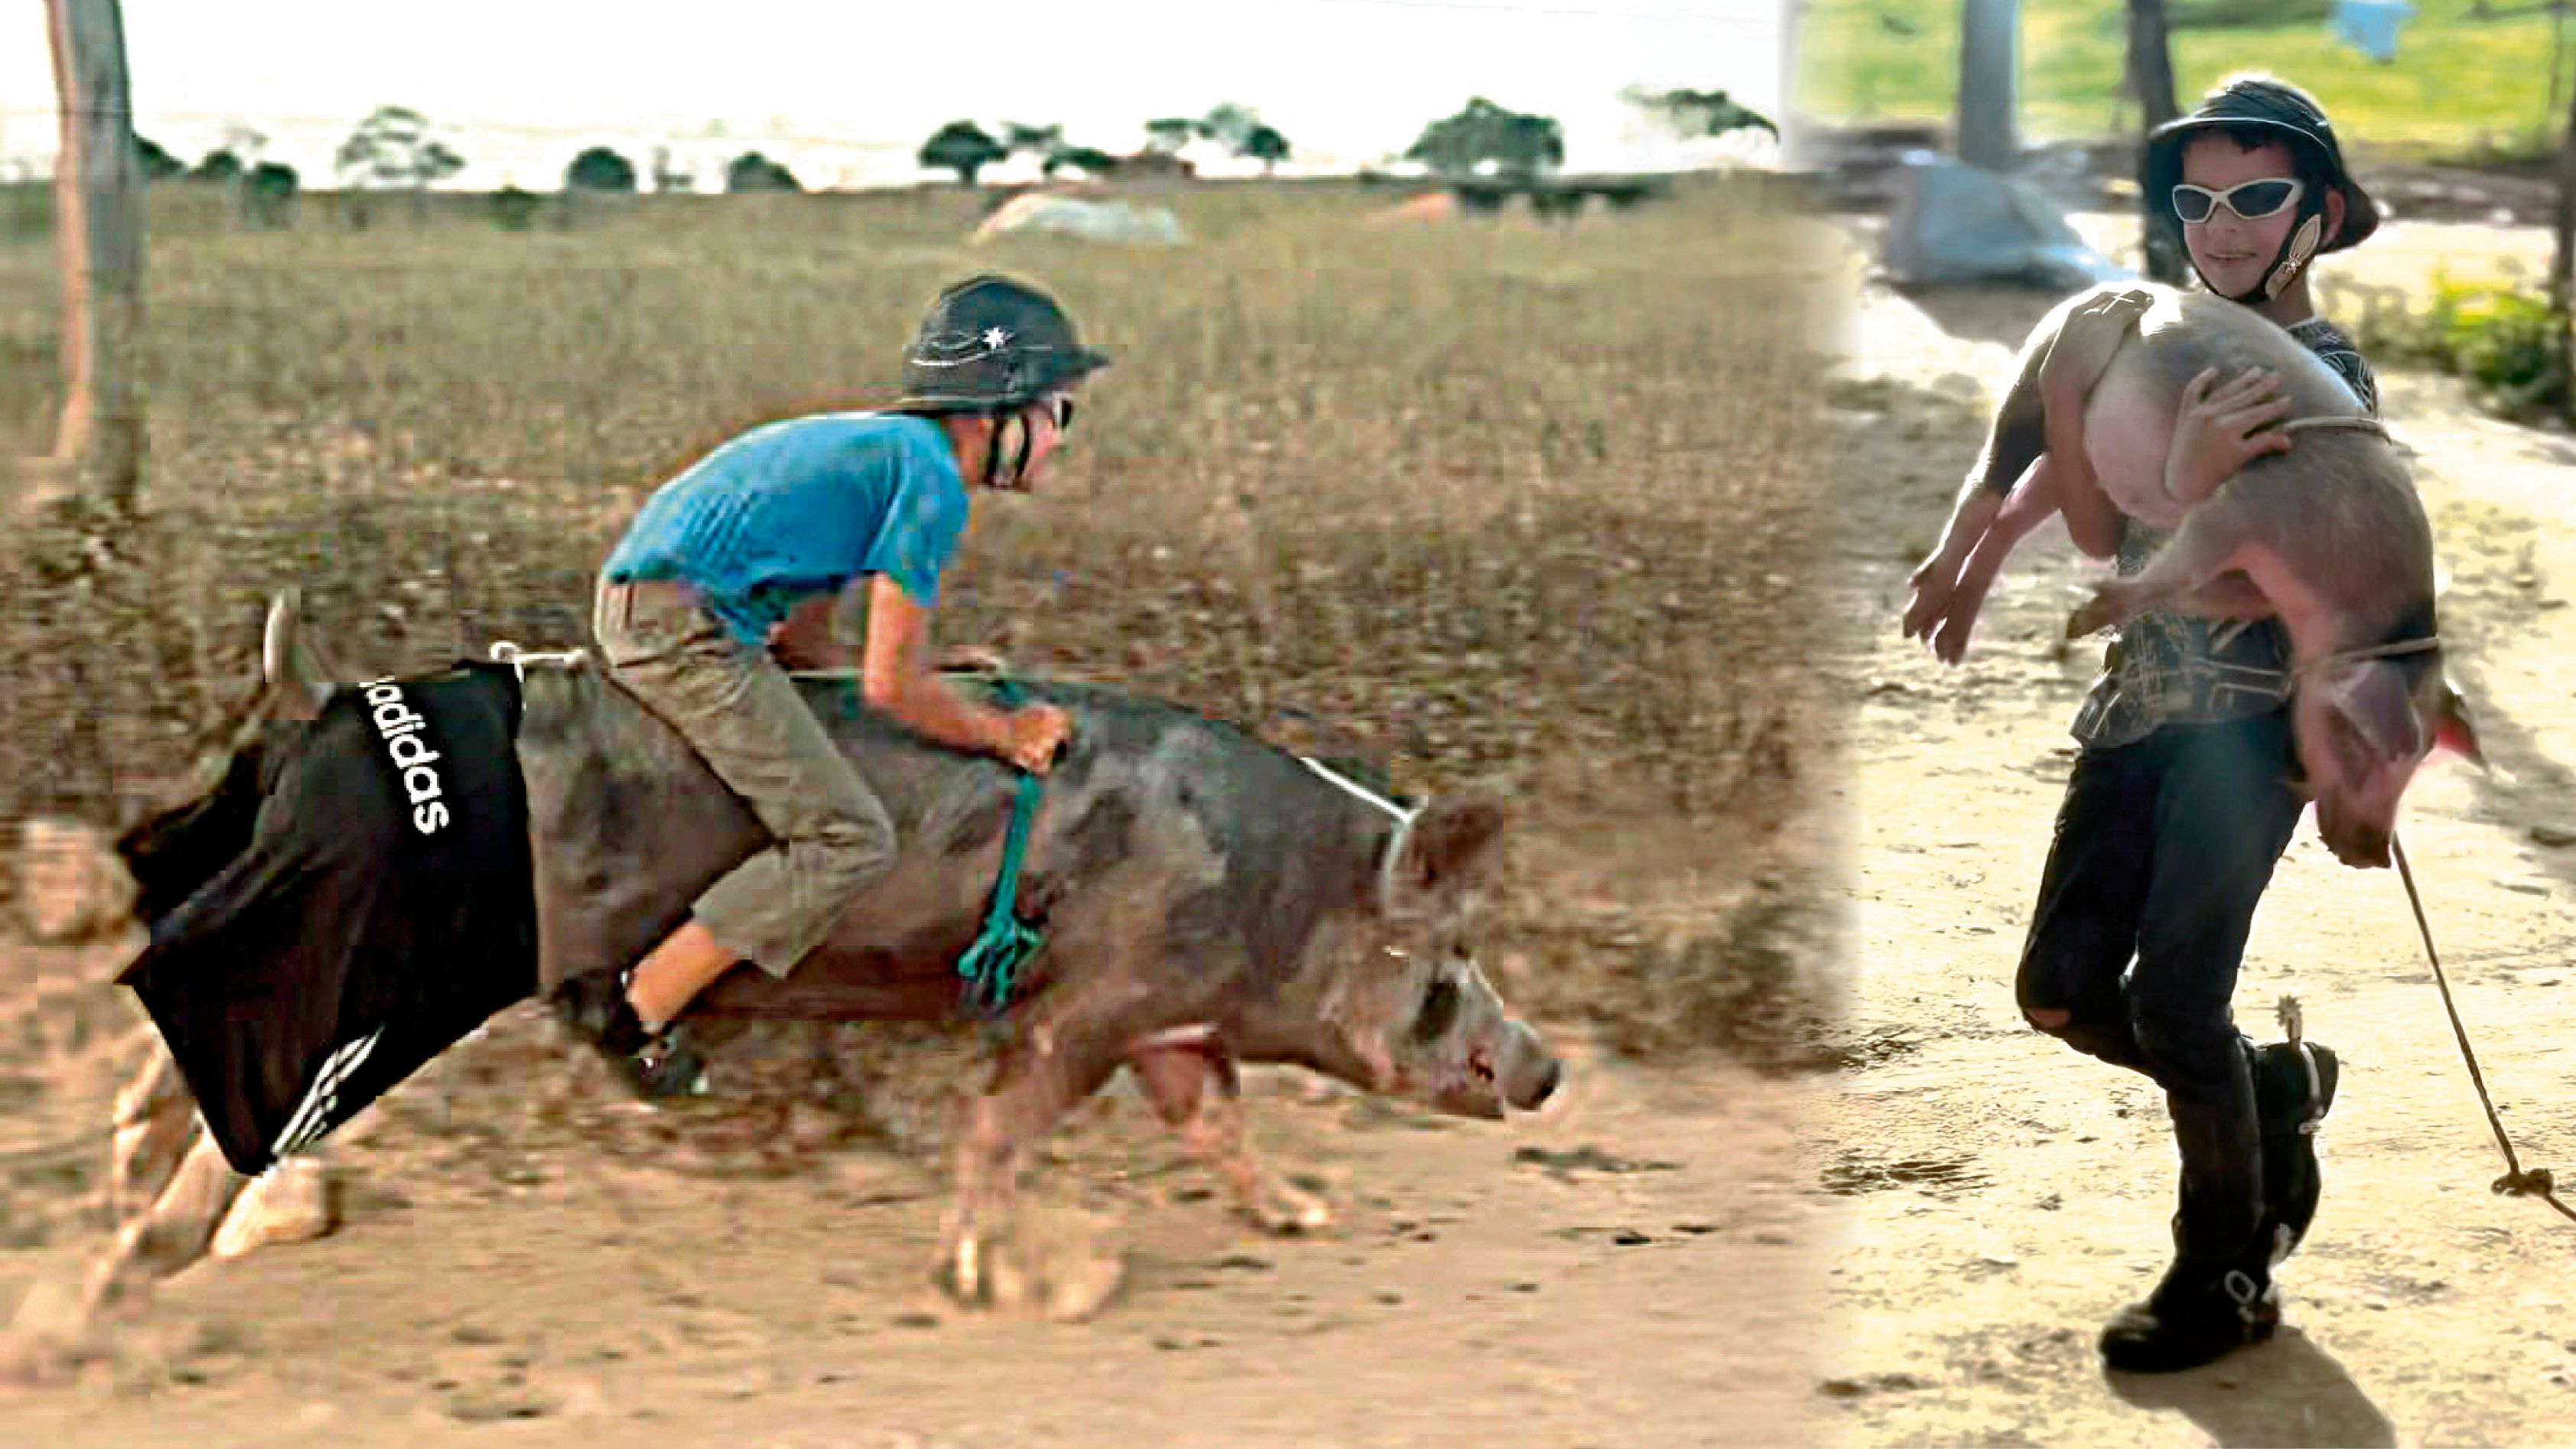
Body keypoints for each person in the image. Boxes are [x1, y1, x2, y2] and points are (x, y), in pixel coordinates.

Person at [1919, 74, 2384, 1374]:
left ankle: (2222, 1269)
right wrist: (1967, 551)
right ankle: (2270, 1088)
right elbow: (2081, 486)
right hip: (2136, 707)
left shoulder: (2323, 374)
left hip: (2252, 728)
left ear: (2316, 214)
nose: (2219, 226)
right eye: (2196, 201)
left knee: (2178, 1003)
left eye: (2254, 197)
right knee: (2059, 991)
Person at [571, 273, 1101, 1097]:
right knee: (846, 836)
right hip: (674, 627)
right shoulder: (931, 485)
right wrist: (1005, 733)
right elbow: (889, 686)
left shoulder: (889, 453)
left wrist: (930, 688)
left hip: (670, 605)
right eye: (1057, 414)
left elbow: (806, 637)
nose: (1061, 440)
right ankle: (634, 1014)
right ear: (991, 414)